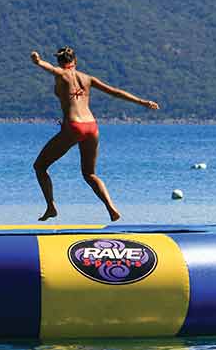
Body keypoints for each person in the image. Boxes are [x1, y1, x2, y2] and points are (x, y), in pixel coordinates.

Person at [30, 46, 159, 222]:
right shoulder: (87, 78)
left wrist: (38, 62)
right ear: (75, 61)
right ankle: (111, 208)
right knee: (89, 174)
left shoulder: (61, 74)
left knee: (40, 166)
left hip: (74, 127)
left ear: (60, 62)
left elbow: (50, 69)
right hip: (91, 127)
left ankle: (51, 206)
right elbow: (114, 92)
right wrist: (142, 102)